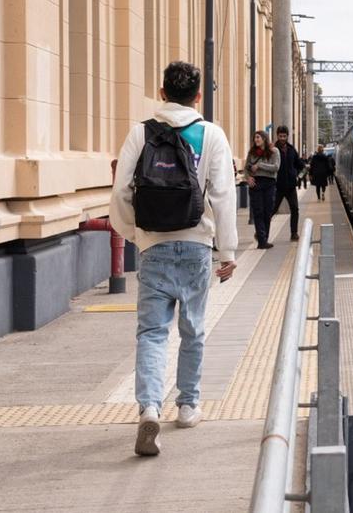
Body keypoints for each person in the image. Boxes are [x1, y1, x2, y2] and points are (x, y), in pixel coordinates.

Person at [110, 61, 238, 457]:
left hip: (153, 246)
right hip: (197, 244)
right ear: (198, 96)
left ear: (162, 93)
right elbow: (222, 196)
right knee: (194, 328)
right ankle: (187, 406)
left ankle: (149, 407)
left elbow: (119, 195)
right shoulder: (211, 135)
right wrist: (228, 250)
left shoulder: (139, 133)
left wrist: (137, 235)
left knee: (152, 332)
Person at [244, 130, 279, 249]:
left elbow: (276, 167)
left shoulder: (274, 151)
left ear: (264, 138)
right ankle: (262, 241)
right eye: (255, 138)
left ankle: (264, 238)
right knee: (258, 212)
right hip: (256, 184)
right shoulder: (252, 152)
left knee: (267, 212)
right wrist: (248, 178)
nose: (256, 140)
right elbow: (246, 168)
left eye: (258, 137)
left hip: (269, 183)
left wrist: (259, 166)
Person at [273, 125, 306, 241]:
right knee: (272, 210)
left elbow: (300, 165)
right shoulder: (273, 150)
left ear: (287, 136)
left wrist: (300, 175)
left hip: (291, 186)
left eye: (284, 136)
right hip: (277, 187)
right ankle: (262, 233)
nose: (282, 138)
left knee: (295, 209)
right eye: (280, 136)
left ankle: (294, 233)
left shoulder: (292, 150)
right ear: (277, 136)